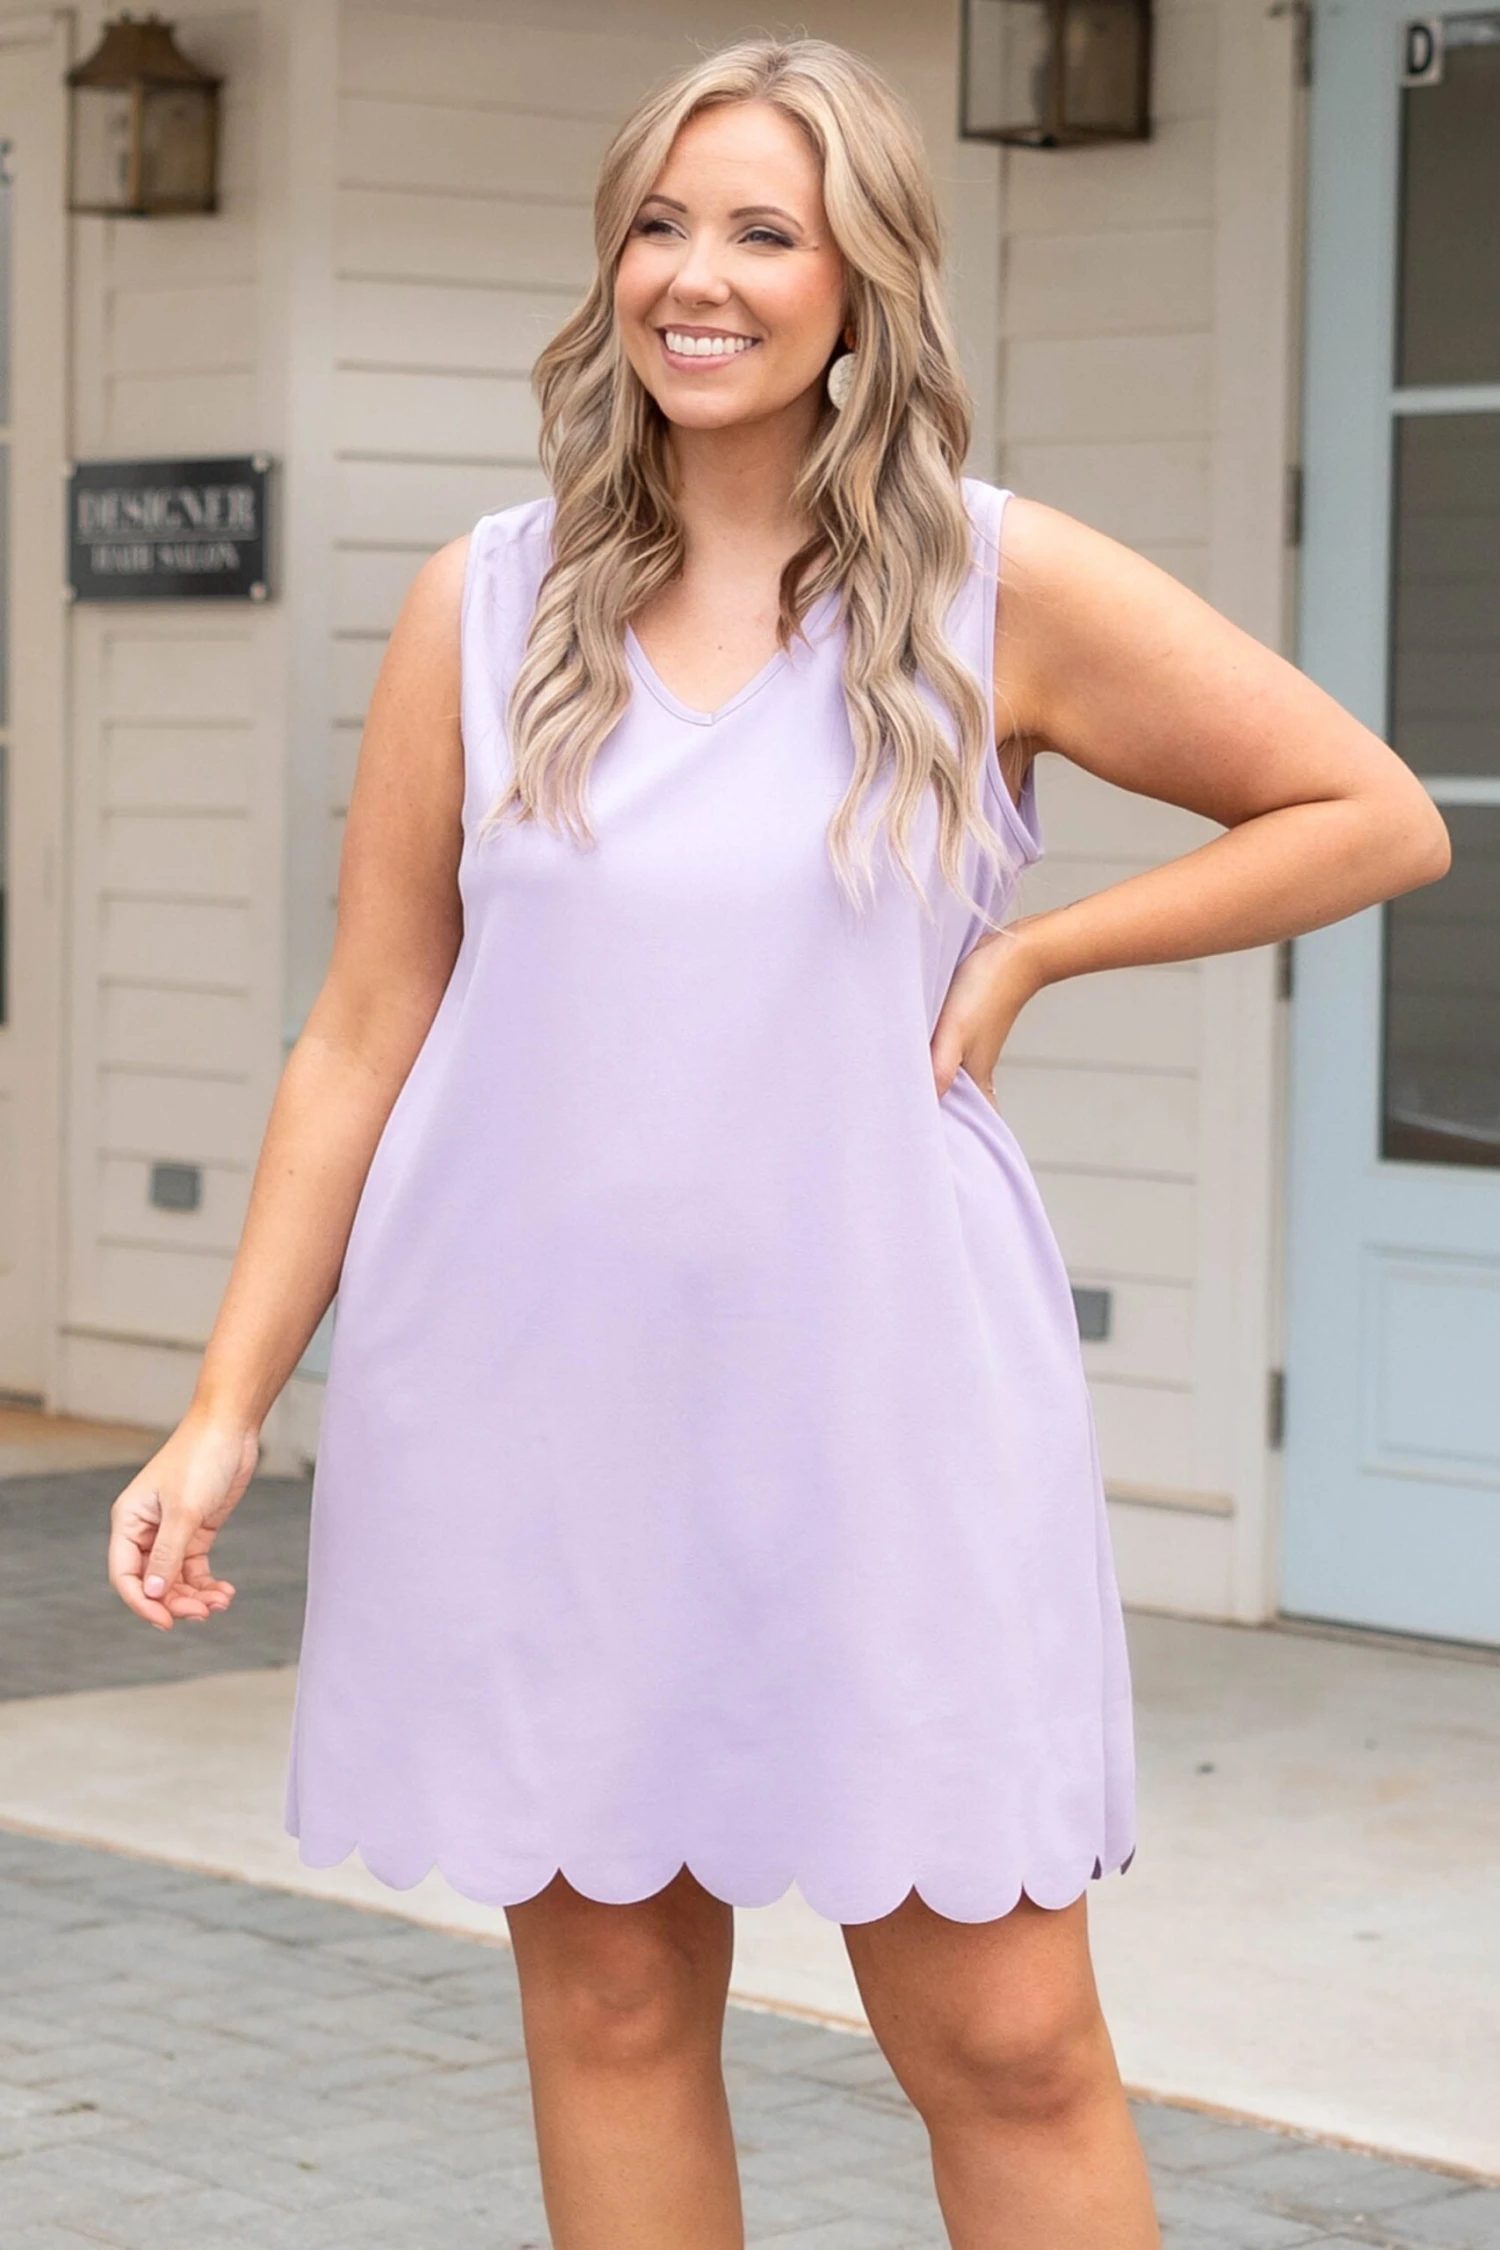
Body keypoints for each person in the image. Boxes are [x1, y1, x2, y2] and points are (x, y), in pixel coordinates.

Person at [106, 34, 1448, 2250]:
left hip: (883, 1406)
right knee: (615, 2010)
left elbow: (1369, 813)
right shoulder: (484, 600)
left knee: (1007, 2038)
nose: (696, 277)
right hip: (528, 1406)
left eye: (762, 231)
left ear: (861, 285)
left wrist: (1036, 955)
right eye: (659, 225)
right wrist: (224, 1404)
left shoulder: (998, 585)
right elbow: (361, 1028)